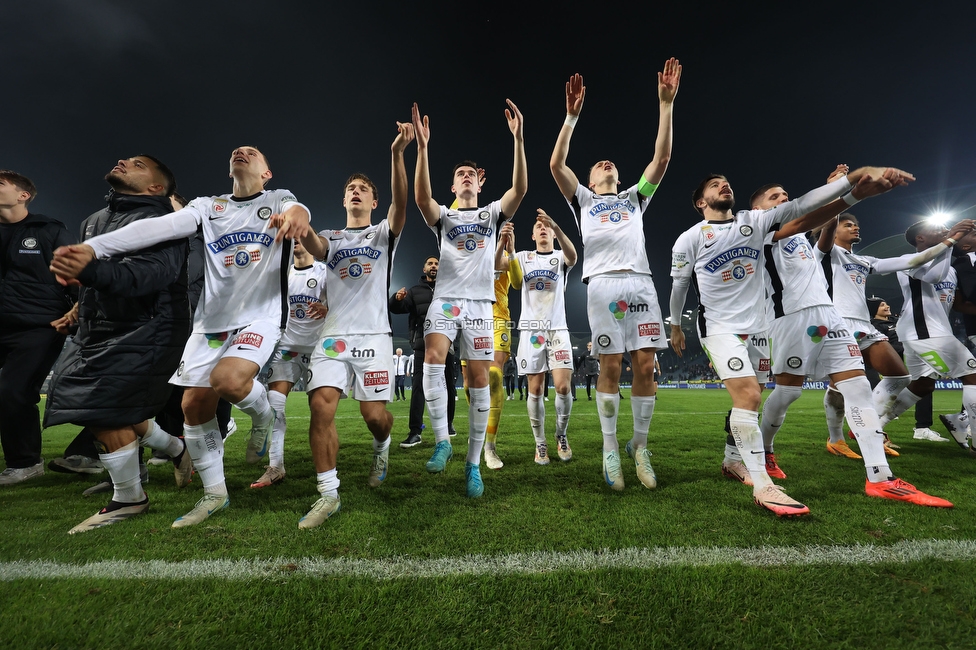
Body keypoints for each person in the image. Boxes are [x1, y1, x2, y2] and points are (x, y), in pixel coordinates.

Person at [51, 146, 311, 527]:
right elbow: (160, 227)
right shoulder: (209, 206)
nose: (241, 152)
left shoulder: (277, 198)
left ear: (266, 172)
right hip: (210, 322)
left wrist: (296, 218)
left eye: (252, 153)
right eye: (237, 151)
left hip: (261, 316)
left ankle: (264, 415)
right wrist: (93, 248)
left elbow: (298, 209)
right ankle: (214, 495)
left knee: (229, 381)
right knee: (192, 407)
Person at [670, 165, 915, 516]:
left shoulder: (750, 224)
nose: (724, 184)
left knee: (841, 387)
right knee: (754, 395)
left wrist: (853, 191)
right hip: (731, 324)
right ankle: (763, 484)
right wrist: (676, 323)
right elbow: (680, 284)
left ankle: (877, 476)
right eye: (713, 184)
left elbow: (801, 212)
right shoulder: (696, 236)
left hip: (760, 326)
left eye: (726, 181)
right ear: (700, 201)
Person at [748, 178, 953, 508]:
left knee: (858, 389)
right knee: (788, 392)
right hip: (793, 318)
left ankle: (880, 478)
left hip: (832, 317)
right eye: (775, 197)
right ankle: (766, 451)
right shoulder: (760, 230)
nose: (784, 199)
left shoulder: (802, 238)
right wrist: (842, 190)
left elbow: (821, 228)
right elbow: (815, 222)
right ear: (758, 209)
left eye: (787, 194)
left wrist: (835, 196)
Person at [43, 155, 197, 533]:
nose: (124, 161)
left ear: (156, 188)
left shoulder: (166, 221)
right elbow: (98, 278)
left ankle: (129, 497)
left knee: (100, 408)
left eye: (139, 164)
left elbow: (152, 275)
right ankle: (177, 450)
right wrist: (79, 309)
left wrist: (89, 268)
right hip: (99, 328)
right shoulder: (94, 221)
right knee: (118, 412)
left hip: (148, 326)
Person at [549, 59, 680, 490]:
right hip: (601, 283)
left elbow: (661, 159)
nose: (606, 164)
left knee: (645, 365)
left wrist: (666, 105)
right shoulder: (583, 200)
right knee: (609, 364)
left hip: (640, 281)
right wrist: (570, 118)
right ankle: (609, 448)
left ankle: (639, 446)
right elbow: (555, 166)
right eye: (598, 165)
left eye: (610, 164)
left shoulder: (634, 199)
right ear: (589, 179)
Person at [295, 122, 412, 528]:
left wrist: (398, 153)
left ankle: (383, 444)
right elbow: (313, 244)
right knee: (320, 406)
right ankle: (328, 494)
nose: (356, 192)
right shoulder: (331, 236)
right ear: (344, 198)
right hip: (333, 337)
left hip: (375, 337)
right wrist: (298, 219)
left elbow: (403, 203)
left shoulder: (383, 234)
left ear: (374, 202)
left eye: (364, 189)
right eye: (351, 189)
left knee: (373, 415)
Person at [411, 97, 527, 498]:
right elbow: (422, 200)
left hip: (480, 305)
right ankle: (443, 440)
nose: (463, 178)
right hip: (446, 299)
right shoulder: (444, 216)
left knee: (479, 381)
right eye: (457, 175)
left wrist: (518, 138)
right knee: (431, 357)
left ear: (479, 181)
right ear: (453, 185)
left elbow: (520, 189)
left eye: (469, 175)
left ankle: (473, 463)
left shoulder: (492, 214)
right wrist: (423, 149)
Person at [818, 212, 971, 454]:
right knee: (834, 385)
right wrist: (835, 202)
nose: (855, 227)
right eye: (848, 225)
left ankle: (871, 429)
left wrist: (949, 242)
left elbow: (910, 262)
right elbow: (825, 231)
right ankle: (840, 438)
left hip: (863, 324)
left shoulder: (863, 260)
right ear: (833, 230)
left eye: (856, 224)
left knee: (899, 377)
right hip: (836, 323)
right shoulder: (825, 253)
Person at [0, 171, 75, 485]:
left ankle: (25, 462)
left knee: (13, 391)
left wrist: (77, 307)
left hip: (37, 327)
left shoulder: (48, 230)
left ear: (23, 195)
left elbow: (75, 273)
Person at [889, 220, 976, 456]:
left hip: (931, 331)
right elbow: (935, 277)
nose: (943, 230)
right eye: (935, 229)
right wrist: (951, 241)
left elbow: (958, 304)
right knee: (973, 375)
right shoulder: (909, 260)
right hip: (923, 330)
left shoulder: (953, 267)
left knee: (924, 385)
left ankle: (873, 425)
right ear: (920, 239)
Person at [252, 238, 328, 490]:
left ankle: (326, 469)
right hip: (287, 347)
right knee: (276, 405)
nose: (296, 242)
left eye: (300, 238)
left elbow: (342, 304)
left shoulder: (324, 272)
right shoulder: (281, 274)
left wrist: (328, 307)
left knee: (320, 410)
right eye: (292, 239)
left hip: (319, 347)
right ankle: (276, 466)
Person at [459, 216, 523, 470]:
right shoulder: (472, 254)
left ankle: (490, 446)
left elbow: (517, 283)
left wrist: (512, 250)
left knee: (494, 375)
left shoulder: (507, 259)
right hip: (471, 319)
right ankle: (478, 429)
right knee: (469, 383)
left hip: (498, 319)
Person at [514, 210, 578, 465]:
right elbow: (500, 268)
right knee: (536, 389)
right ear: (532, 234)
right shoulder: (522, 257)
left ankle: (561, 436)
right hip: (531, 330)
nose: (542, 228)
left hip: (557, 328)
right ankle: (540, 443)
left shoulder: (560, 257)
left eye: (546, 226)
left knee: (563, 387)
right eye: (538, 226)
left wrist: (557, 225)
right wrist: (504, 245)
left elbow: (573, 255)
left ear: (552, 233)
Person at [389, 255, 458, 447]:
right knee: (418, 387)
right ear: (424, 268)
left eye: (437, 264)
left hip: (447, 345)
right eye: (430, 263)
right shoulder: (414, 291)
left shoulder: (449, 290)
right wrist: (396, 299)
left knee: (449, 388)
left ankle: (448, 423)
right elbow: (397, 308)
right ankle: (415, 431)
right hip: (422, 345)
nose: (434, 266)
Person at [867, 297, 943, 442]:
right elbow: (882, 347)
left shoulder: (896, 322)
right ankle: (871, 426)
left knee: (925, 385)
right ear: (874, 310)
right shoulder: (875, 326)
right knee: (886, 397)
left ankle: (922, 427)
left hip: (909, 360)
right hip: (894, 366)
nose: (887, 306)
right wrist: (905, 347)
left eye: (886, 303)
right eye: (882, 305)